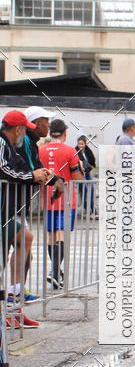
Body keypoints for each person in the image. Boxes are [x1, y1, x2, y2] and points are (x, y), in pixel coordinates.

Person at [0, 110, 51, 326]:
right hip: (3, 210)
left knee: (25, 238)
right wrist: (32, 176)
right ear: (18, 129)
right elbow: (3, 170)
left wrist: (40, 175)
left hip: (9, 210)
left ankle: (13, 303)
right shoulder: (2, 142)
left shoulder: (12, 146)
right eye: (24, 130)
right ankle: (10, 307)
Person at [19, 107, 65, 302]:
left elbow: (38, 170)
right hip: (11, 205)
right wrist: (49, 178)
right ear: (37, 123)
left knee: (26, 253)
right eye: (46, 120)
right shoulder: (25, 142)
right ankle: (15, 294)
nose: (49, 124)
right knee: (21, 251)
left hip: (19, 205)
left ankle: (18, 292)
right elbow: (31, 171)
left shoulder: (32, 143)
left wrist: (57, 180)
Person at [39, 119, 83, 290]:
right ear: (65, 133)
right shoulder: (70, 151)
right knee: (61, 234)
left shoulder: (41, 150)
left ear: (50, 133)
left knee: (51, 235)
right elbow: (78, 178)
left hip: (47, 198)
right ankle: (55, 272)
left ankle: (55, 271)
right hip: (65, 199)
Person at [75, 135, 97, 219]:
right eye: (79, 144)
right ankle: (88, 211)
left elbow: (92, 160)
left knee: (91, 192)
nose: (80, 145)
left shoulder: (88, 151)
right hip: (80, 174)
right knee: (84, 192)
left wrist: (91, 167)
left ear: (85, 144)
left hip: (88, 173)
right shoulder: (75, 151)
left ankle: (93, 210)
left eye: (82, 144)